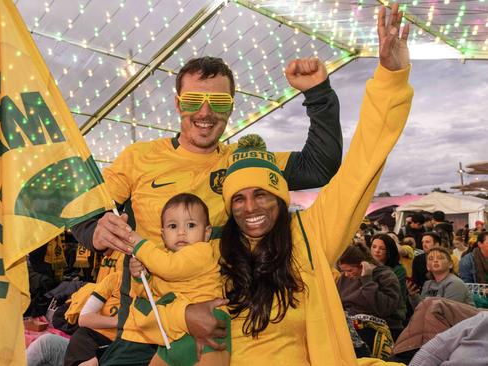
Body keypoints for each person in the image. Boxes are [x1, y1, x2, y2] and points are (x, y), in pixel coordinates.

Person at [168, 5, 412, 365]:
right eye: (239, 198)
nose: (250, 207)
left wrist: (390, 77)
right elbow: (168, 304)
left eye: (262, 194)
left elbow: (364, 162)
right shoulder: (215, 255)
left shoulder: (310, 236)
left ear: (281, 198)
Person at [77, 41, 344, 366]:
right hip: (149, 326)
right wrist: (93, 229)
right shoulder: (139, 158)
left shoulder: (244, 163)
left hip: (223, 327)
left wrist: (318, 94)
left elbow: (318, 165)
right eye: (193, 100)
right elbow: (84, 204)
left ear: (231, 107)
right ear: (178, 104)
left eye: (218, 101)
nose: (205, 112)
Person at [126, 193, 228, 366]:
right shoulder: (161, 261)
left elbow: (169, 268)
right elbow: (150, 295)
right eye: (173, 226)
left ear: (206, 233)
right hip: (175, 332)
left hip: (209, 322)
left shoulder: (202, 252)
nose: (181, 232)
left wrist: (140, 244)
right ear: (163, 235)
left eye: (191, 225)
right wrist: (140, 277)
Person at [337, 242, 404, 342]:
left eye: (350, 270)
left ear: (362, 265)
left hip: (380, 329)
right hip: (350, 324)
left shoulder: (385, 276)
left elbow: (384, 309)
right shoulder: (344, 278)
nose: (346, 275)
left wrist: (367, 280)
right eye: (344, 271)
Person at [407, 247, 474, 307]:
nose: (435, 260)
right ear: (428, 267)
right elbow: (421, 309)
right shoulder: (427, 284)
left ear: (450, 264)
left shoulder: (455, 283)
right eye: (431, 259)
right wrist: (414, 296)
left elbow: (448, 313)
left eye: (440, 258)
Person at [370, 233, 408, 321]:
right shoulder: (365, 266)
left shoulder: (398, 270)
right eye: (374, 247)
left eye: (382, 248)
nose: (377, 251)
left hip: (392, 312)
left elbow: (388, 295)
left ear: (389, 250)